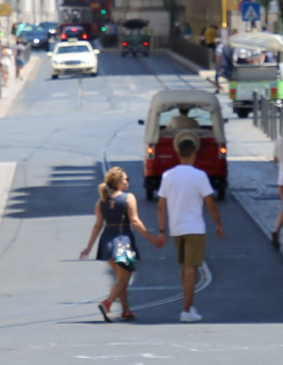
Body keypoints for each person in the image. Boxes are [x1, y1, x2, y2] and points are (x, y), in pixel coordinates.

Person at [80, 165, 161, 321]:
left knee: (120, 278)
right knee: (124, 279)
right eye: (125, 179)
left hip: (107, 241)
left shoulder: (101, 202)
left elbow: (98, 225)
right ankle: (107, 303)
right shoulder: (128, 198)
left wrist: (89, 246)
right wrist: (151, 238)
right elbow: (135, 221)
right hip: (123, 240)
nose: (128, 182)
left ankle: (125, 310)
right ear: (118, 182)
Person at [157, 134, 219, 322]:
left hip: (176, 227)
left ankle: (189, 305)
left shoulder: (168, 176)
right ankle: (186, 310)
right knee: (191, 267)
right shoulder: (199, 176)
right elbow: (210, 203)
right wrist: (218, 223)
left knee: (185, 267)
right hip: (195, 228)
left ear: (178, 153)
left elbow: (160, 205)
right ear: (193, 154)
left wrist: (162, 231)